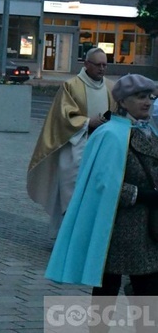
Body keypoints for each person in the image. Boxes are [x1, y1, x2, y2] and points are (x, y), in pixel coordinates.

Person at [46, 74, 158, 305]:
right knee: (109, 289)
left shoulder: (149, 132)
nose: (147, 102)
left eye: (150, 96)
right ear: (123, 101)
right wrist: (142, 195)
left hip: (149, 228)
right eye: (140, 97)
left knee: (146, 291)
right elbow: (102, 183)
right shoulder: (110, 134)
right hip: (116, 228)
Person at [27, 47, 115, 233]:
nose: (102, 69)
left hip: (100, 146)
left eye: (105, 65)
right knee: (71, 191)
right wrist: (88, 122)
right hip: (76, 144)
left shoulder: (110, 87)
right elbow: (62, 116)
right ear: (87, 64)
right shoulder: (71, 86)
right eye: (98, 64)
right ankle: (66, 233)